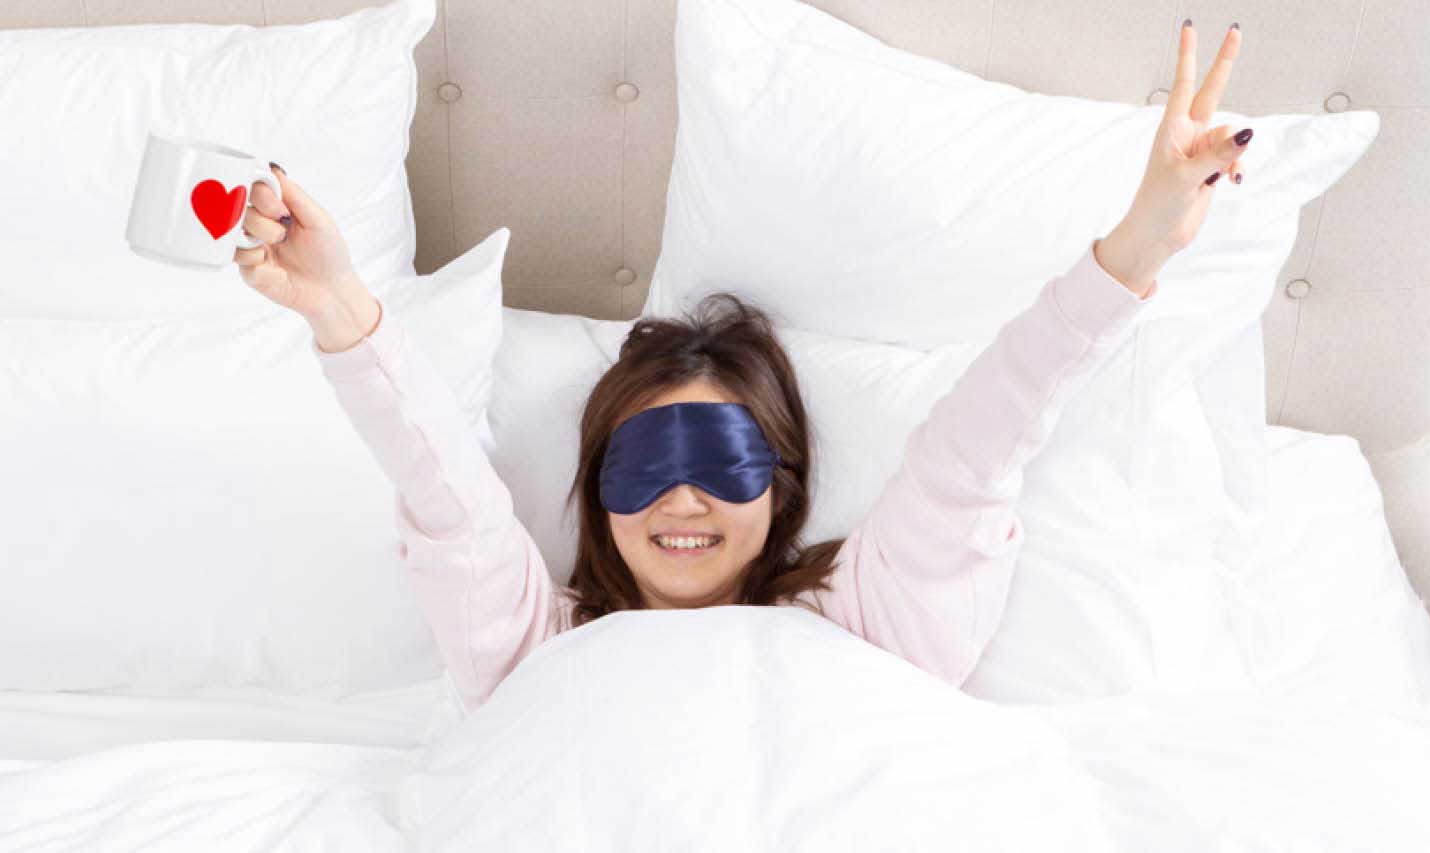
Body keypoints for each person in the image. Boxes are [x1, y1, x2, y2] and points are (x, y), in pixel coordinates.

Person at [236, 21, 1247, 714]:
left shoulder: (866, 623)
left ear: (783, 490)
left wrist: (1139, 247)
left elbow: (986, 432)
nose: (681, 495)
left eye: (720, 457)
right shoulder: (533, 653)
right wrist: (341, 310)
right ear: (595, 496)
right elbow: (441, 486)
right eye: (642, 462)